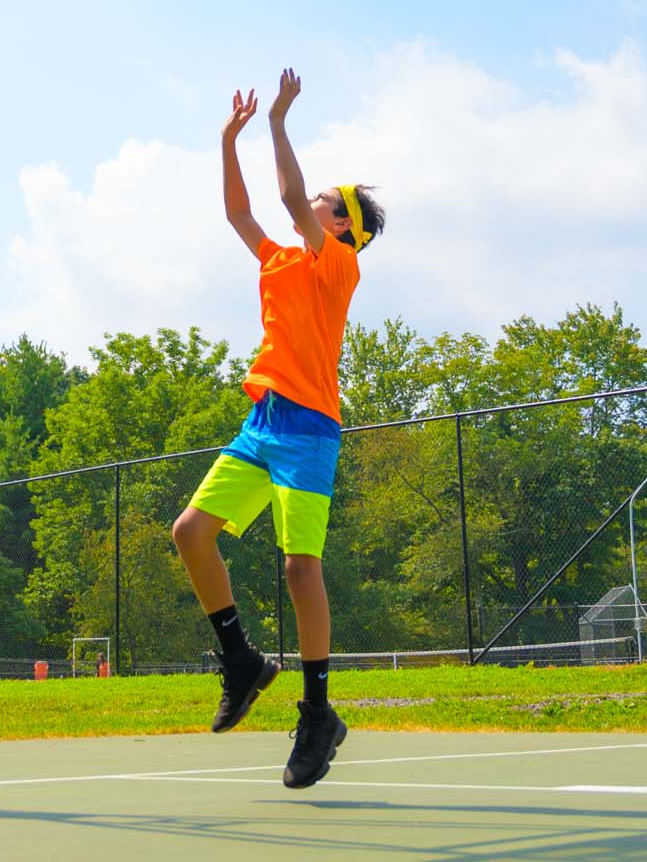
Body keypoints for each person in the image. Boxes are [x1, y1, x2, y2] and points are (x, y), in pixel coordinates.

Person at [169, 67, 385, 790]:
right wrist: (226, 140)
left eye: (327, 201)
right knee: (190, 533)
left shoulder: (340, 265)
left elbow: (289, 197)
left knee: (300, 569)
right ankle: (241, 661)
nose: (311, 201)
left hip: (311, 431)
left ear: (343, 224)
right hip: (263, 421)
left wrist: (279, 120)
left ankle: (318, 713)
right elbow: (241, 216)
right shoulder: (281, 261)